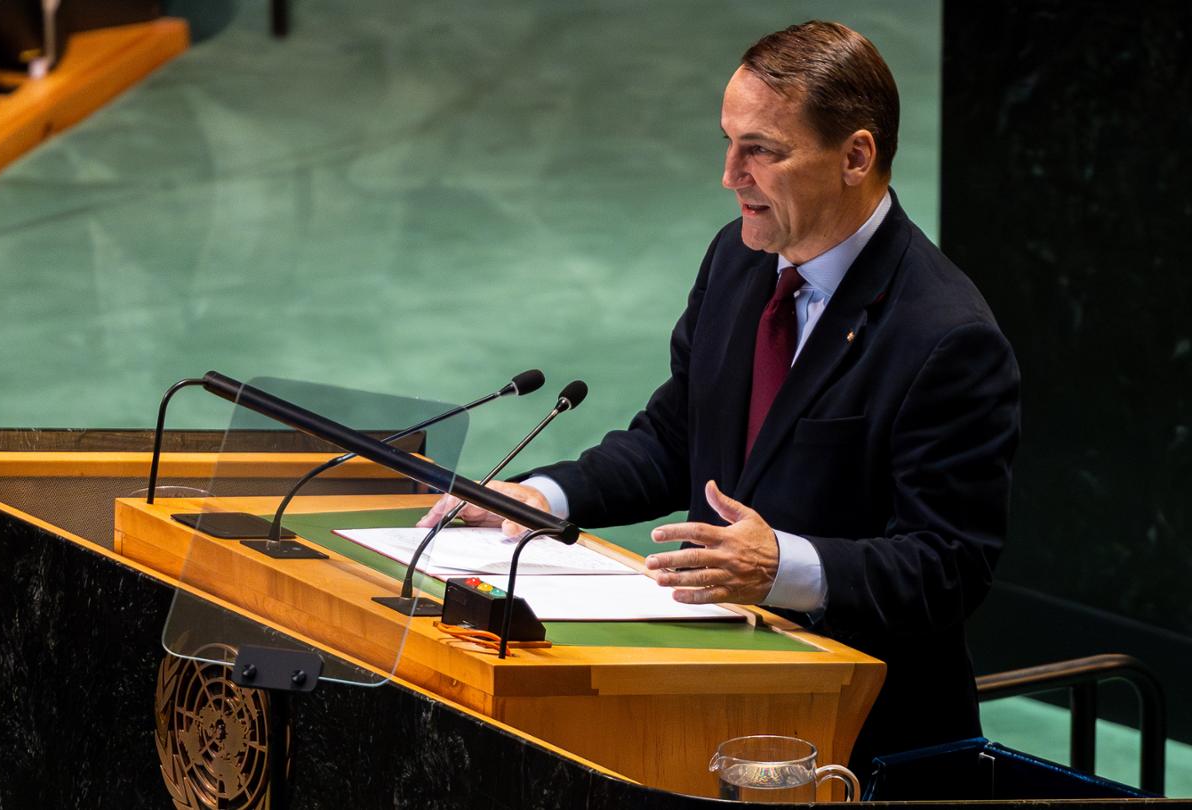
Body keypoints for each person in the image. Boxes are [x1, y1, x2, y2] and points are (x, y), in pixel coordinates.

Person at [420, 20, 1020, 765]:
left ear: (855, 157)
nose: (731, 175)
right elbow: (677, 440)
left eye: (761, 151)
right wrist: (539, 500)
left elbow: (947, 568)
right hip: (706, 699)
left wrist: (785, 568)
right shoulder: (737, 263)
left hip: (862, 742)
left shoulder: (945, 336)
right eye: (728, 143)